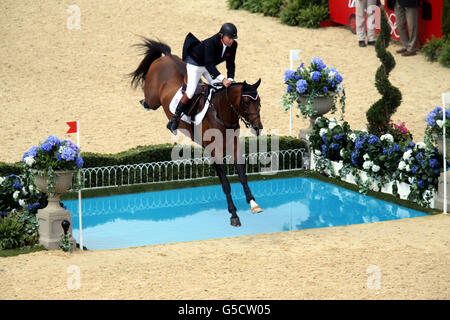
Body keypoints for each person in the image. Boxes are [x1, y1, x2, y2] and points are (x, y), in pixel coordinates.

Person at [166, 23, 238, 134]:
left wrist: (231, 79)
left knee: (217, 87)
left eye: (233, 38)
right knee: (190, 92)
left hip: (207, 65)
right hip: (195, 64)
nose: (231, 41)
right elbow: (209, 64)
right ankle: (174, 119)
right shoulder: (211, 42)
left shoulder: (233, 46)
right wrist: (223, 79)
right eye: (229, 38)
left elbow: (231, 64)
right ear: (221, 35)